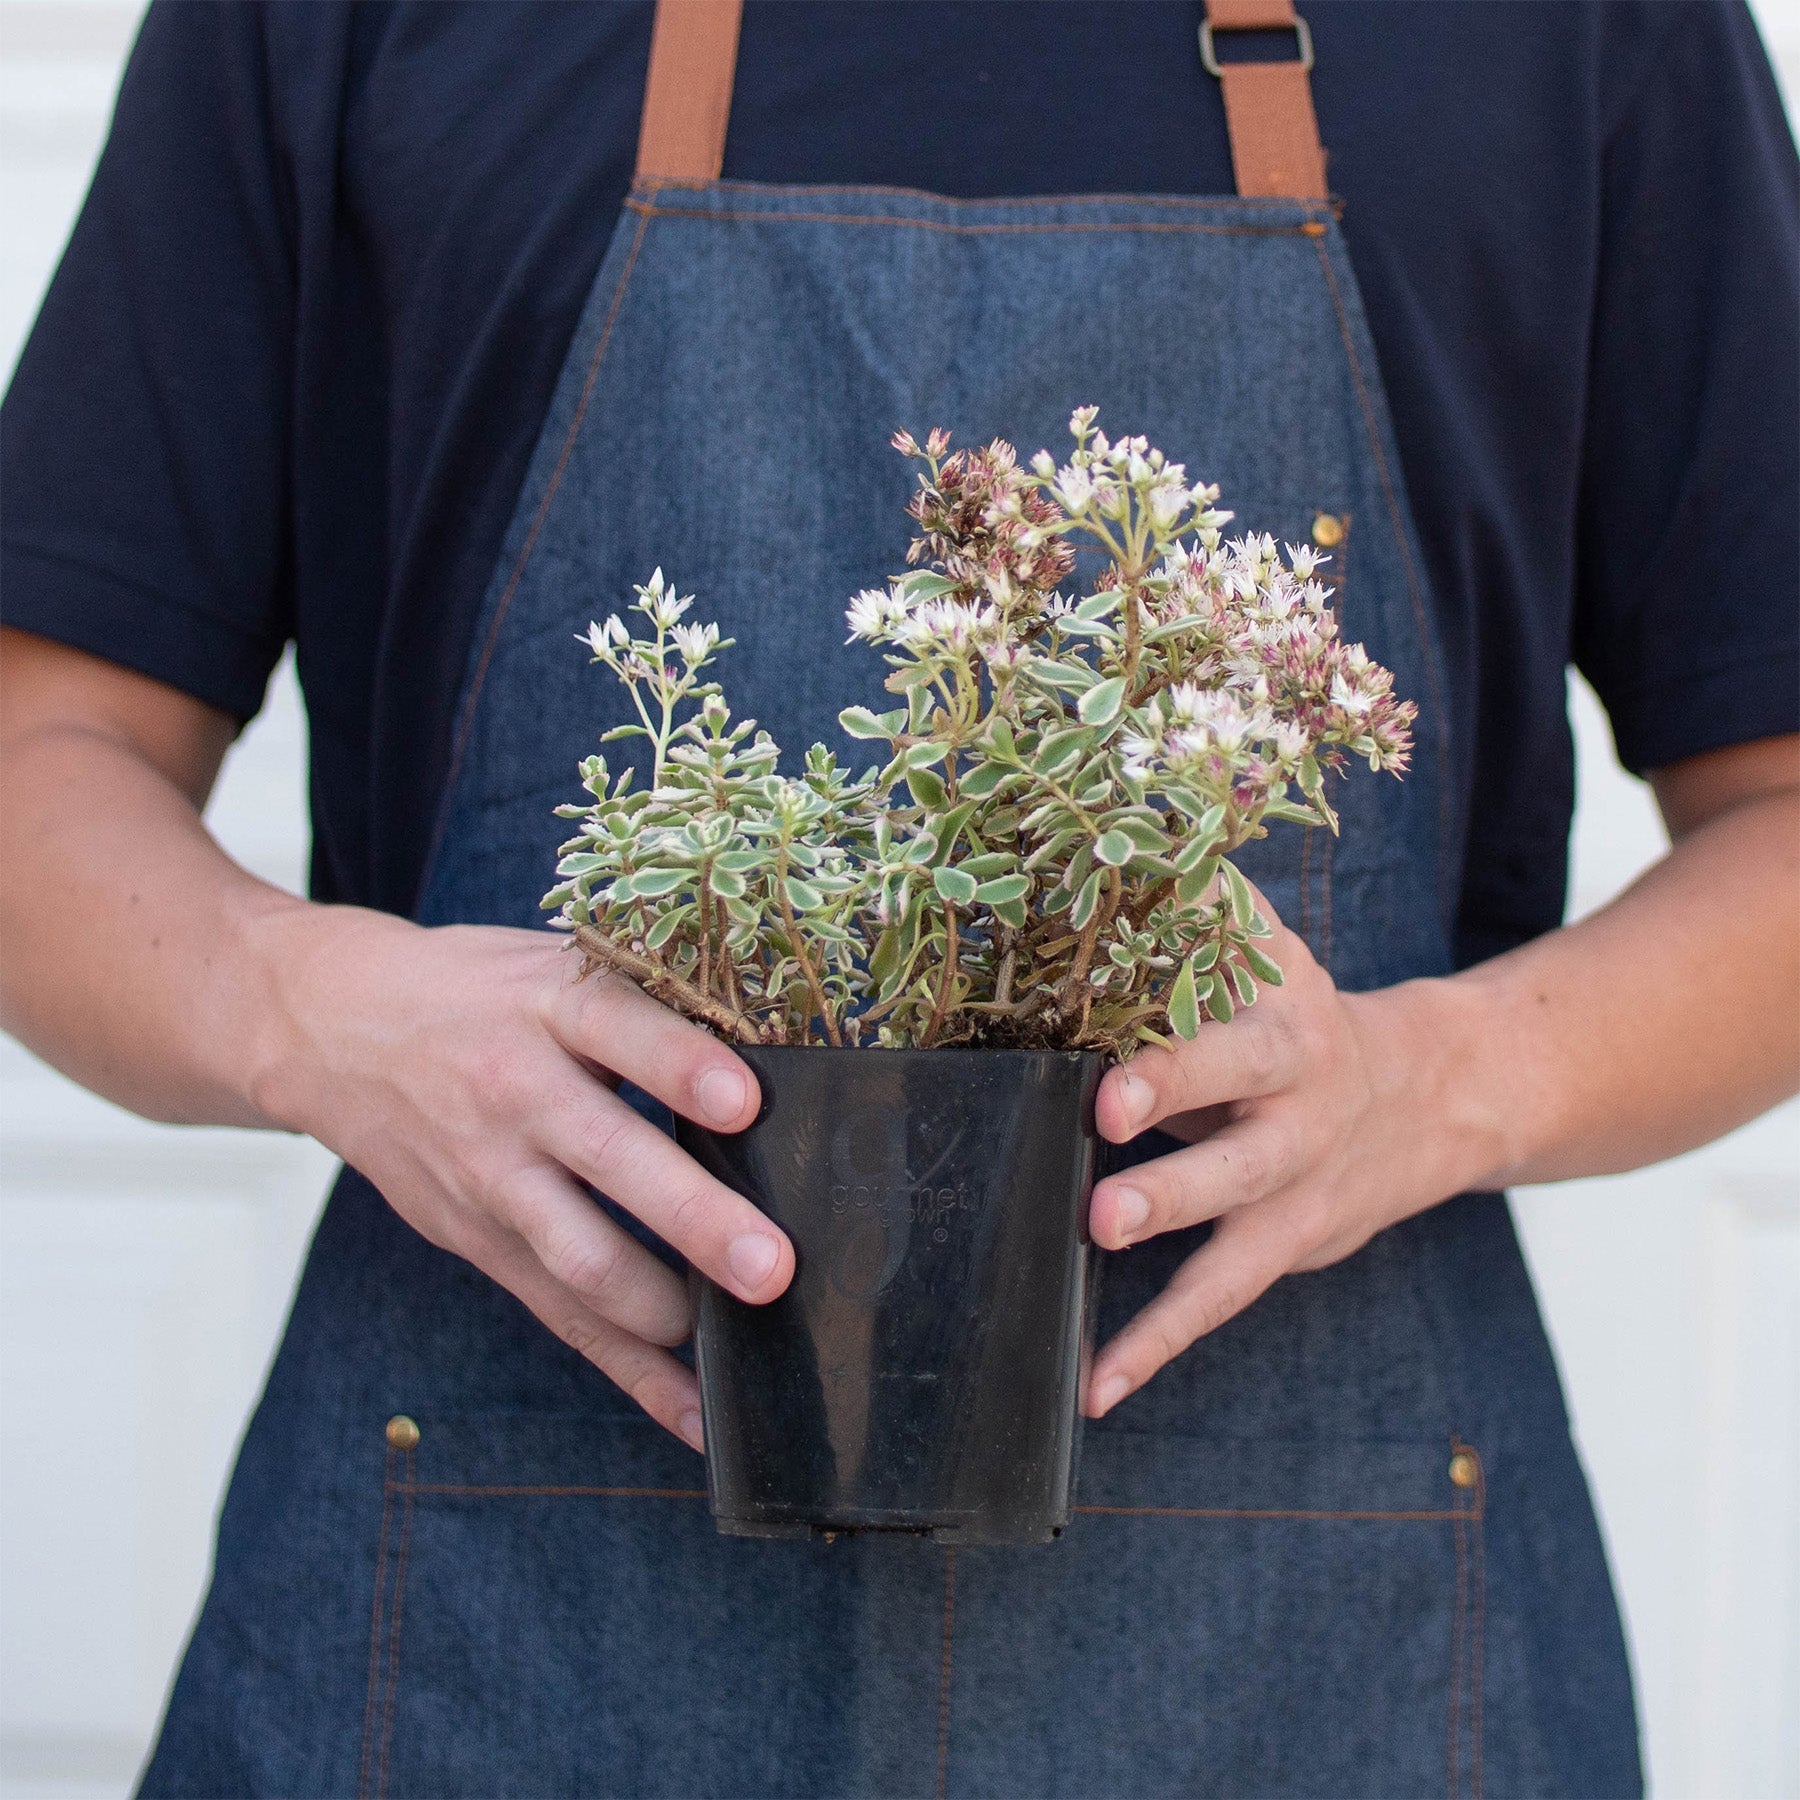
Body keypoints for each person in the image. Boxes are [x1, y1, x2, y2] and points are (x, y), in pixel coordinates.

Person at [2, 1, 1795, 1793]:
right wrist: (302, 1007)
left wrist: (1446, 1078)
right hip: (503, 1633)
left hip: (1330, 1659)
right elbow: (44, 750)